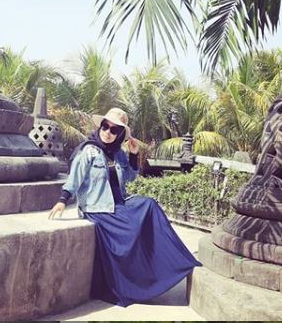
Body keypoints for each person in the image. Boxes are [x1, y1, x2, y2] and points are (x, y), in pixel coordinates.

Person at [48, 108, 201, 307]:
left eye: (114, 130)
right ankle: (134, 284)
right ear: (100, 126)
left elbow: (129, 177)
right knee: (130, 232)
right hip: (98, 208)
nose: (108, 132)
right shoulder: (89, 151)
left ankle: (176, 262)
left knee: (149, 205)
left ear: (120, 134)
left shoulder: (118, 153)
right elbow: (74, 179)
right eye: (105, 126)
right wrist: (63, 199)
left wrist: (133, 155)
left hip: (119, 203)